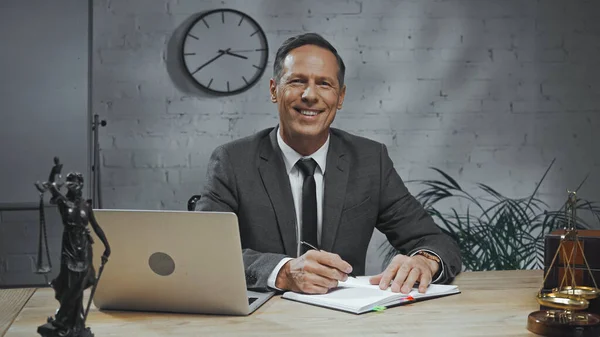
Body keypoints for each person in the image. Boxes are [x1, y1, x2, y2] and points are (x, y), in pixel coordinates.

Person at [195, 33, 461, 295]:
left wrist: (424, 261)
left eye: (324, 84)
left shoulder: (370, 161)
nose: (310, 95)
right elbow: (203, 252)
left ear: (341, 97)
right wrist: (284, 272)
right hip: (260, 317)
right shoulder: (232, 161)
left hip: (344, 318)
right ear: (274, 90)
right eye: (297, 81)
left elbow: (435, 242)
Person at [35, 157, 110, 337]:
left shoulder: (86, 205)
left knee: (80, 283)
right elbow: (52, 185)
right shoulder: (62, 202)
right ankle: (63, 320)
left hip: (84, 247)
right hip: (68, 246)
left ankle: (74, 323)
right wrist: (56, 168)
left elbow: (96, 227)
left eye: (75, 183)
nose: (71, 185)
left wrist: (107, 246)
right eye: (69, 183)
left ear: (81, 184)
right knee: (71, 285)